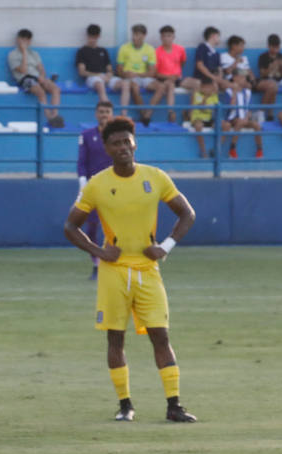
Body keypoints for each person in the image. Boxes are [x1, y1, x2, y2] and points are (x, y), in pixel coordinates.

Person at [63, 116, 198, 423]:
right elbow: (70, 226)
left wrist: (165, 247)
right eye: (116, 143)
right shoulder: (97, 185)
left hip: (148, 270)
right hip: (114, 273)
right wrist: (99, 252)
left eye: (127, 141)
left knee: (160, 336)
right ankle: (125, 405)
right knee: (115, 339)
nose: (123, 147)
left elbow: (187, 214)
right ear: (107, 148)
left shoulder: (156, 177)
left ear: (135, 143)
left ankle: (174, 405)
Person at [77, 99, 115, 278]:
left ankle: (115, 261)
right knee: (91, 226)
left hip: (115, 188)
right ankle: (96, 262)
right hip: (94, 188)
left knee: (116, 226)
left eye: (107, 112)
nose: (104, 115)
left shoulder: (118, 136)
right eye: (101, 112)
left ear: (111, 114)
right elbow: (82, 162)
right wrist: (83, 184)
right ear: (96, 114)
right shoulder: (86, 135)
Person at [8, 28, 63, 127]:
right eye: (22, 39)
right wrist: (24, 53)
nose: (25, 42)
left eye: (27, 40)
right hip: (25, 78)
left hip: (37, 77)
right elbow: (23, 70)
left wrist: (42, 77)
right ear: (18, 39)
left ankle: (55, 115)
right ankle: (49, 117)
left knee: (56, 89)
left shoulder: (34, 54)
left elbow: (41, 68)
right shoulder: (12, 55)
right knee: (40, 92)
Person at [111, 23, 157, 124]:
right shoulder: (124, 48)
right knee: (134, 86)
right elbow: (119, 70)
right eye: (133, 34)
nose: (134, 37)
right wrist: (125, 74)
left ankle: (147, 114)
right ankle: (144, 116)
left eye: (137, 34)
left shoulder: (150, 49)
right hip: (130, 78)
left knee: (162, 87)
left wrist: (137, 74)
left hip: (143, 77)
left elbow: (152, 72)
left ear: (144, 36)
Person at [149, 25, 187, 123]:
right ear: (161, 38)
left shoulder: (180, 49)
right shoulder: (156, 52)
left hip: (177, 78)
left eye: (169, 36)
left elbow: (182, 62)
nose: (166, 38)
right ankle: (171, 113)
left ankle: (191, 114)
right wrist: (169, 76)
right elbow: (155, 73)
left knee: (196, 84)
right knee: (170, 85)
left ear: (173, 37)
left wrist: (176, 75)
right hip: (162, 79)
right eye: (164, 36)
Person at [221, 79, 263, 159]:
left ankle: (260, 150)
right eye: (241, 78)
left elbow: (249, 109)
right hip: (232, 118)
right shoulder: (229, 92)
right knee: (240, 122)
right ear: (235, 78)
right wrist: (234, 92)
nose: (243, 80)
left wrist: (246, 118)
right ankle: (232, 148)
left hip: (244, 118)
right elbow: (231, 108)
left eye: (244, 78)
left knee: (257, 125)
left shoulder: (247, 92)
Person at [76, 24, 112, 103]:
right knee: (99, 83)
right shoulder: (82, 51)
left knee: (125, 84)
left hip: (104, 76)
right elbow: (82, 72)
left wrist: (109, 75)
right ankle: (106, 104)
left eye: (94, 37)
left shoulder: (103, 51)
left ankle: (124, 110)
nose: (92, 40)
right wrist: (98, 75)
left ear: (99, 36)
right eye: (90, 37)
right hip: (92, 78)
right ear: (87, 36)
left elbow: (109, 69)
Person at [185, 75, 219, 158]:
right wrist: (206, 97)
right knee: (198, 126)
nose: (208, 90)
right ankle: (203, 151)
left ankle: (216, 149)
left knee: (225, 125)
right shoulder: (196, 94)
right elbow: (202, 108)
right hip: (197, 118)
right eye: (206, 88)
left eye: (210, 87)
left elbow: (216, 109)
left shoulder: (214, 96)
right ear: (201, 87)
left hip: (209, 119)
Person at [255, 34, 282, 117]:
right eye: (274, 47)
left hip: (280, 80)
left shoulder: (281, 56)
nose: (276, 49)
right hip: (267, 79)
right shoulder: (263, 57)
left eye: (277, 47)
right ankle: (265, 112)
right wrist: (271, 67)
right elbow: (262, 74)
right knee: (273, 86)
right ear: (269, 46)